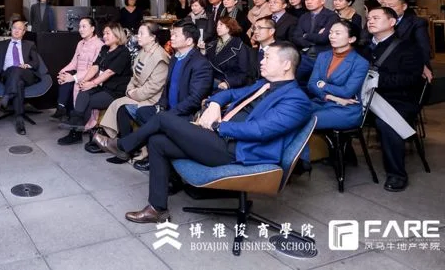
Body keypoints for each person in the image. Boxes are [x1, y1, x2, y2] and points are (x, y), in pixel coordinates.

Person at [93, 42, 312, 223]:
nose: (261, 61)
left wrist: (217, 126)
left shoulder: (296, 100)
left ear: (286, 64)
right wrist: (215, 104)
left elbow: (260, 130)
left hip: (237, 149)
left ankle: (123, 147)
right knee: (158, 142)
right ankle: (157, 209)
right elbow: (230, 94)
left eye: (268, 58)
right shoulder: (263, 84)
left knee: (162, 119)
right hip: (221, 139)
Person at [127, 21, 213, 171]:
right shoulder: (175, 57)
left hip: (186, 114)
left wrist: (170, 114)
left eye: (175, 35)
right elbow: (167, 87)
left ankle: (128, 147)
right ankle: (151, 153)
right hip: (169, 110)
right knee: (142, 112)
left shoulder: (200, 63)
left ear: (189, 41)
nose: (171, 37)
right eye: (172, 34)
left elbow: (194, 99)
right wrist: (161, 106)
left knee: (158, 124)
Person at [362, 6, 424, 192]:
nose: (370, 21)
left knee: (386, 124)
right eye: (369, 18)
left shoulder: (408, 47)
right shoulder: (364, 47)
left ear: (392, 22)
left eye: (376, 18)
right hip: (367, 99)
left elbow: (412, 79)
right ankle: (345, 157)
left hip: (398, 100)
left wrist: (378, 81)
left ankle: (397, 174)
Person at [97, 22, 170, 161]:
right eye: (138, 33)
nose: (138, 36)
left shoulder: (160, 57)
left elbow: (153, 87)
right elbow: (133, 77)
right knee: (119, 106)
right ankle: (124, 149)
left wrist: (134, 94)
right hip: (137, 93)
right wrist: (130, 90)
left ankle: (124, 149)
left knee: (122, 107)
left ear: (153, 37)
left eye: (142, 33)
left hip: (152, 99)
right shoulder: (143, 52)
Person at [59, 23, 132, 137]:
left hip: (115, 91)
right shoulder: (104, 48)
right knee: (83, 91)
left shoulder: (123, 52)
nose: (104, 36)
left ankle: (75, 131)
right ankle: (76, 126)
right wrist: (84, 81)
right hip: (103, 87)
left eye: (107, 33)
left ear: (117, 35)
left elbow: (109, 72)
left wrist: (92, 83)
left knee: (88, 100)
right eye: (104, 33)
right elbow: (95, 67)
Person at [0, 18, 41, 135]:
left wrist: (27, 65)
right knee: (18, 82)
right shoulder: (2, 45)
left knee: (17, 69)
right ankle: (19, 119)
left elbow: (36, 62)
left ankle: (7, 97)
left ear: (24, 32)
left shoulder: (30, 45)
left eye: (20, 29)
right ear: (11, 30)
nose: (17, 31)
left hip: (26, 74)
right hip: (8, 75)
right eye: (14, 28)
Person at [307, 20, 369, 130]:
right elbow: (311, 84)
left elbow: (347, 92)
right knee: (292, 114)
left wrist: (323, 85)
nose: (332, 36)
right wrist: (330, 97)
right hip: (321, 101)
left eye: (337, 33)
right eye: (331, 32)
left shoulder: (360, 62)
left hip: (345, 109)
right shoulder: (323, 56)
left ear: (351, 39)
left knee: (306, 120)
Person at [53, 17, 104, 126]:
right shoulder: (80, 43)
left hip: (90, 78)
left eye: (84, 26)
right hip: (78, 75)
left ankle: (69, 113)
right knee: (64, 77)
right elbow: (74, 63)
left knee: (70, 80)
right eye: (80, 27)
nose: (80, 29)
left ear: (92, 29)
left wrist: (73, 78)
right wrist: (62, 72)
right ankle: (62, 109)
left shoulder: (99, 45)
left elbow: (94, 69)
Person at [381, 0, 433, 82]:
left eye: (391, 6)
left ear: (404, 6)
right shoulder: (374, 21)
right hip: (381, 67)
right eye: (384, 6)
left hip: (405, 68)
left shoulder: (416, 23)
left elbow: (423, 47)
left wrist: (422, 65)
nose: (387, 9)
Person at [291, 0, 338, 85]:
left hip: (322, 56)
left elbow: (324, 38)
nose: (308, 2)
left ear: (322, 1)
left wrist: (305, 35)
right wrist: (314, 38)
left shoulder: (331, 16)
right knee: (296, 81)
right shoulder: (304, 16)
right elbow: (295, 37)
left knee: (317, 84)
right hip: (304, 55)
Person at [205, 17, 251, 90]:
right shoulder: (211, 44)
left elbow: (244, 74)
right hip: (209, 81)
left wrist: (228, 83)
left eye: (221, 24)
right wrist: (203, 52)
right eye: (217, 25)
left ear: (229, 27)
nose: (218, 27)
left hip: (227, 85)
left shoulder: (239, 47)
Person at [248, 16, 277, 81]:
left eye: (260, 28)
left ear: (271, 31)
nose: (255, 32)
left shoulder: (280, 50)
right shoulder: (251, 51)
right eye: (254, 28)